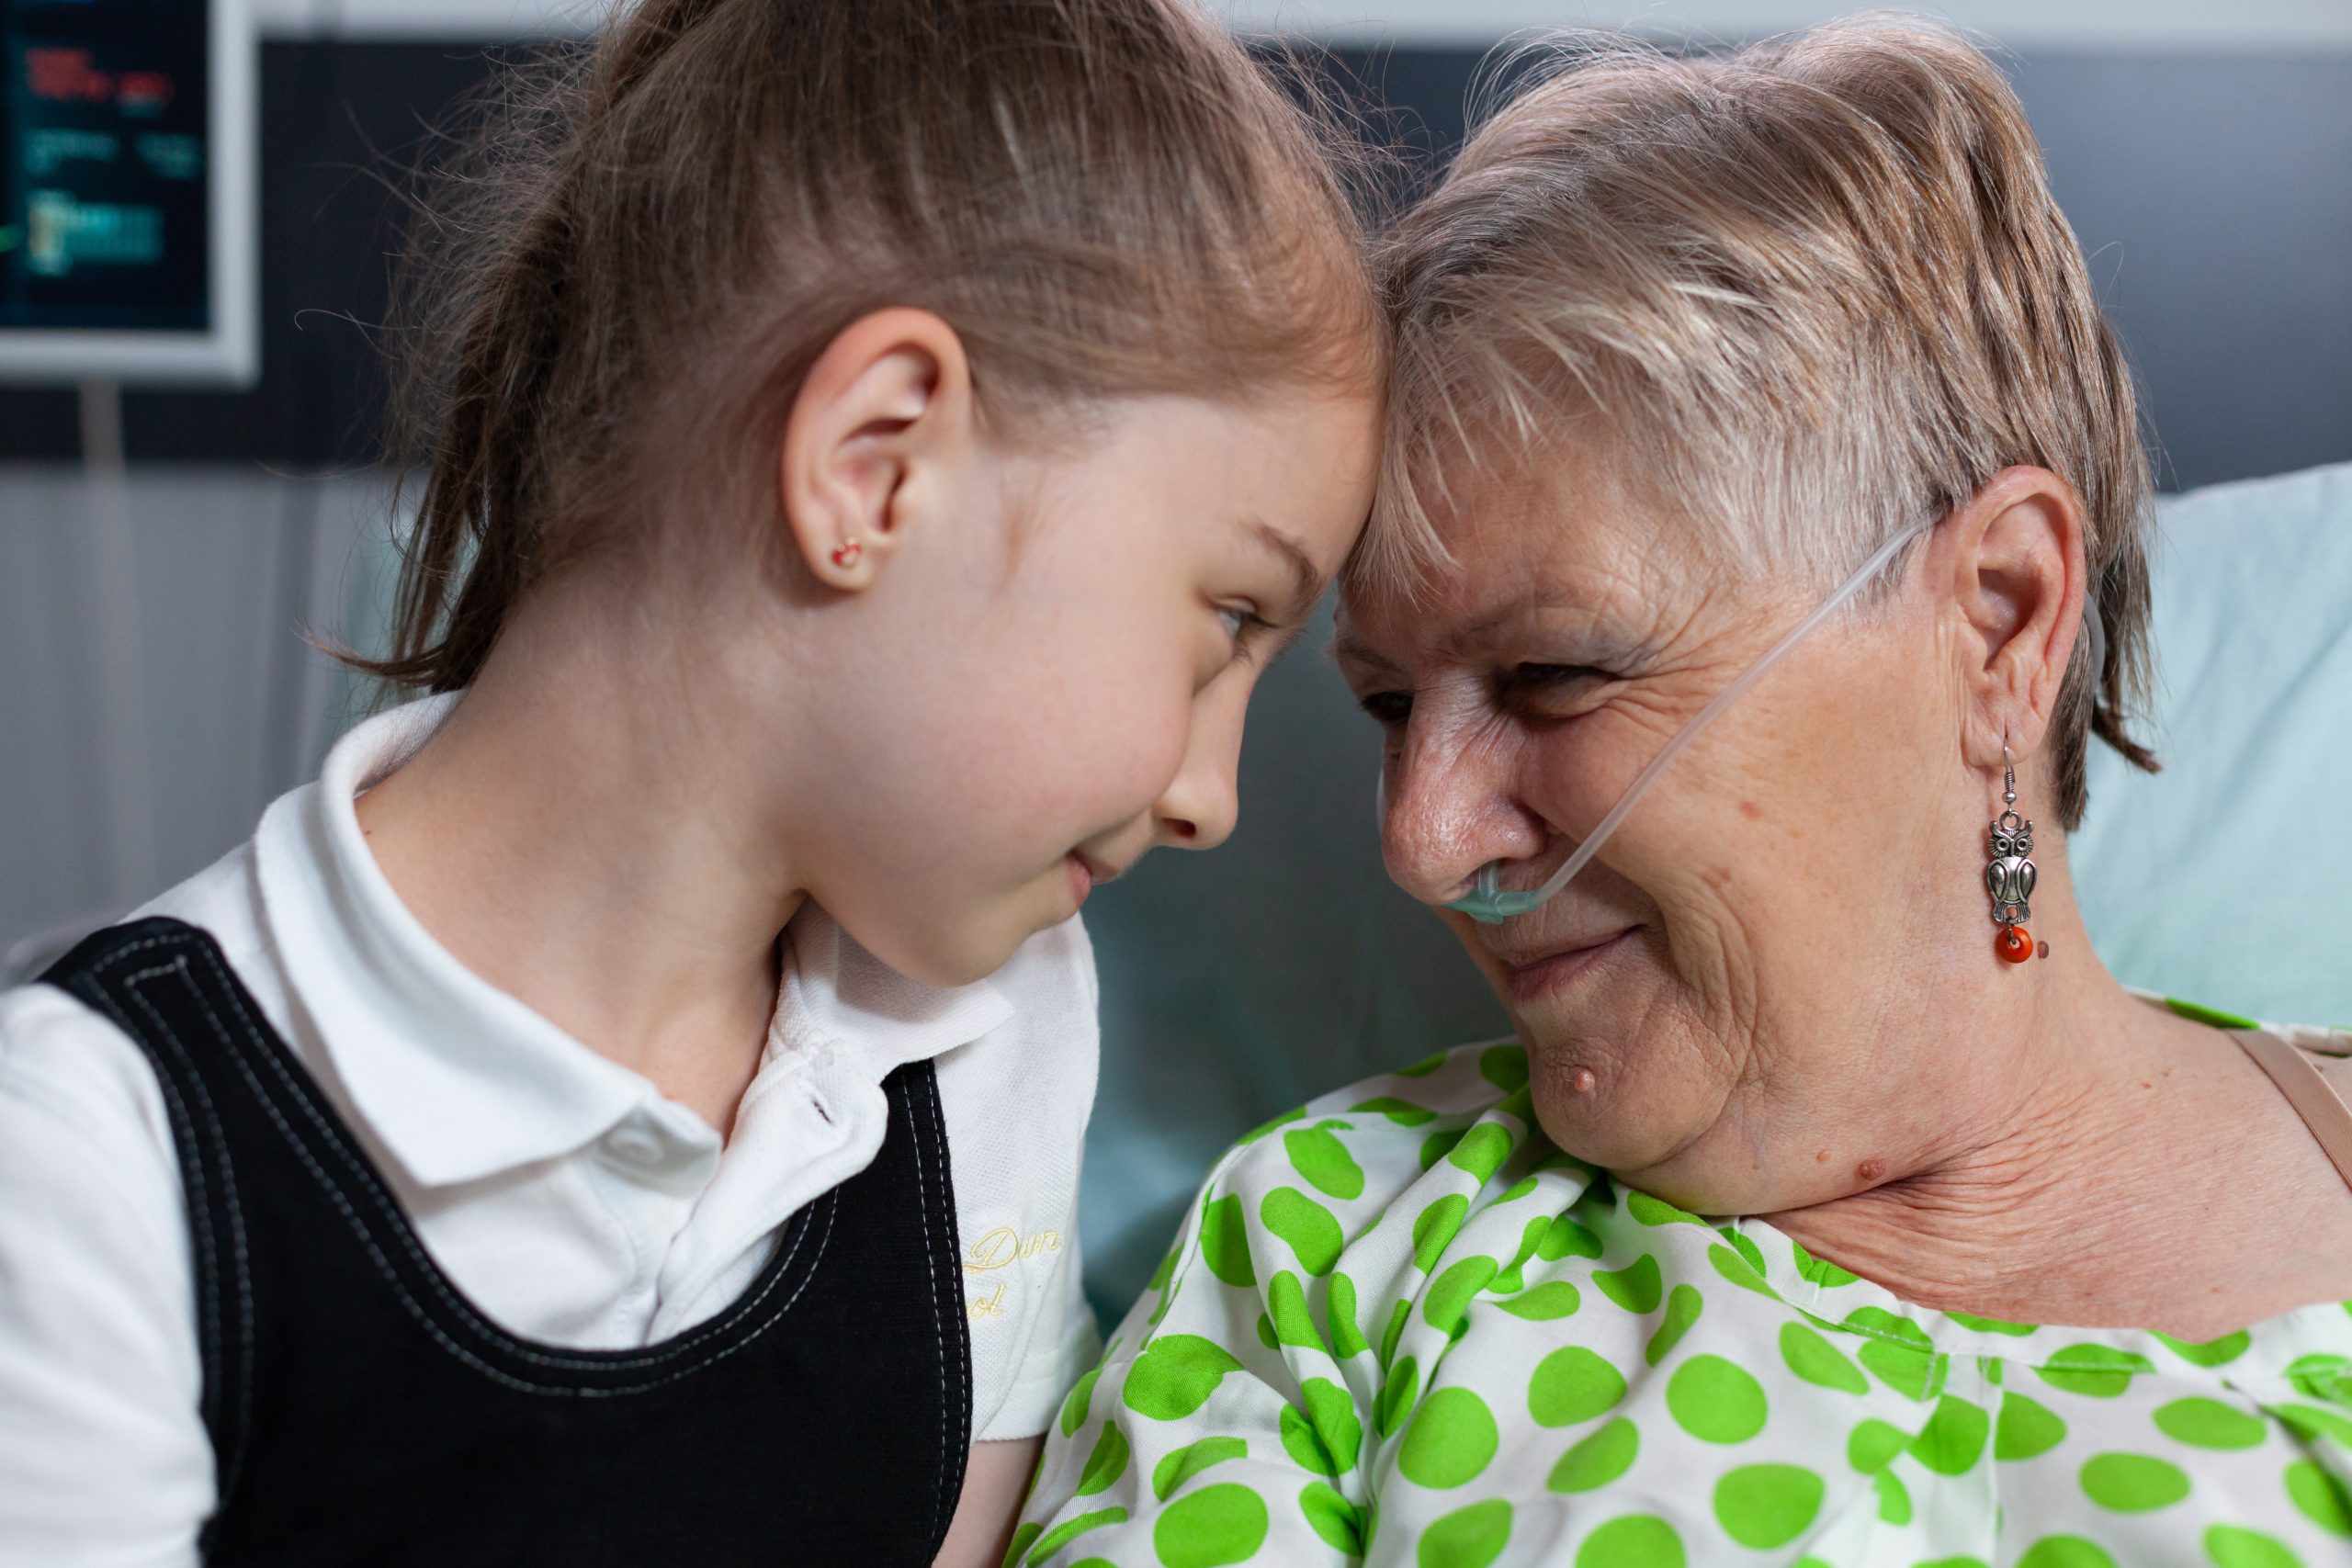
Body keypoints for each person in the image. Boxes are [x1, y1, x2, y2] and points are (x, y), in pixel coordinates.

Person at [0, 2, 1384, 1562]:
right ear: (875, 468)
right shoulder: (84, 1159)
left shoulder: (994, 1035)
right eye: (1226, 623)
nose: (1216, 797)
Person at [1011, 19, 2352, 1567]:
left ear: (1998, 620)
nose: (1423, 841)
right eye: (1387, 705)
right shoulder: (1327, 1258)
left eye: (1556, 676)